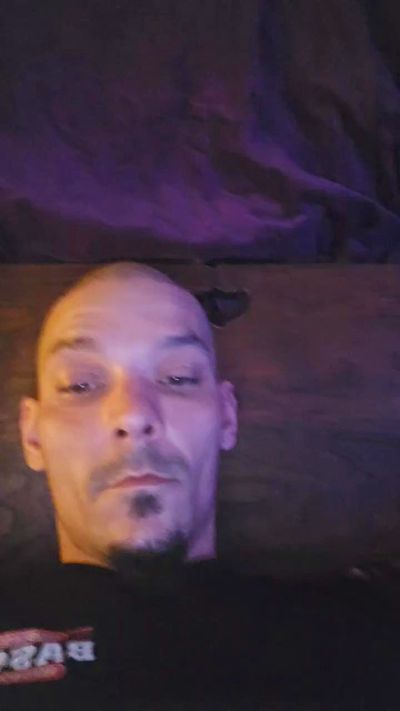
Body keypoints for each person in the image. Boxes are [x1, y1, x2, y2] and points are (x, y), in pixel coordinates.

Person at [0, 262, 398, 710]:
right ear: (33, 436)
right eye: (80, 385)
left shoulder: (362, 641)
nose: (133, 414)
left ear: (226, 417)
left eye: (177, 378)